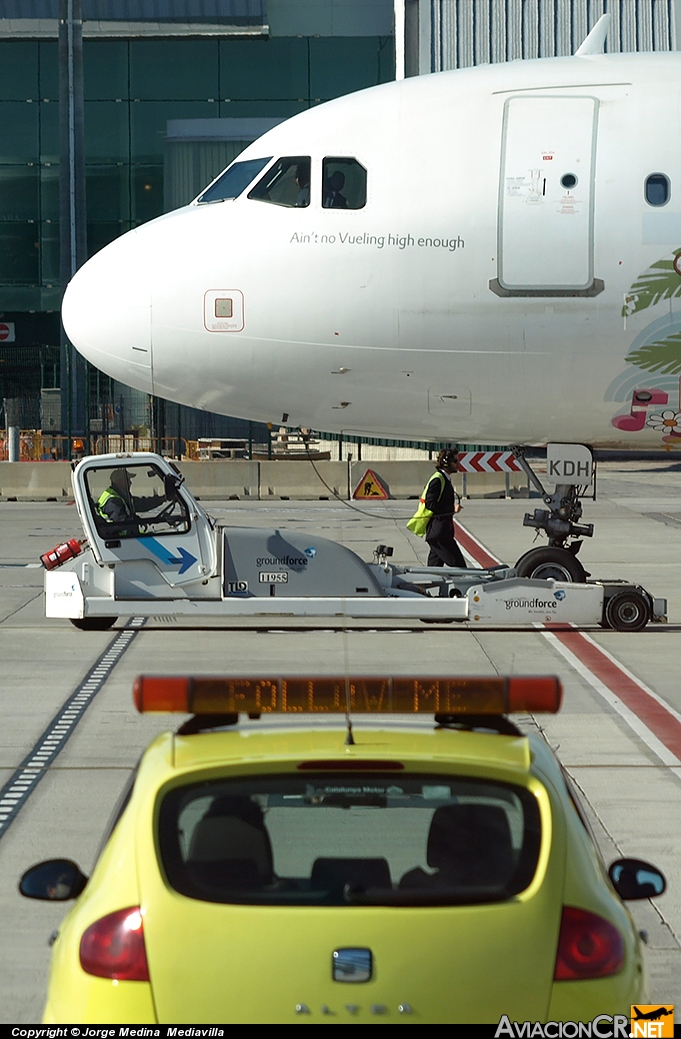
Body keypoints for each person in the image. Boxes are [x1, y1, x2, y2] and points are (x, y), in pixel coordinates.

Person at [410, 448, 466, 567]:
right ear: (447, 463)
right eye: (455, 461)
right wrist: (452, 509)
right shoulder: (438, 479)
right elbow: (430, 504)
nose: (458, 464)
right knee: (459, 566)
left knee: (434, 570)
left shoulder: (444, 478)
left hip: (439, 534)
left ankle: (426, 585)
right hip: (440, 535)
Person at [96, 468, 165, 534]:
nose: (130, 482)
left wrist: (162, 499)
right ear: (121, 482)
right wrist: (137, 520)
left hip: (127, 538)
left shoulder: (122, 496)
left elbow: (142, 504)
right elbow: (121, 522)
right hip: (121, 539)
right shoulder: (113, 501)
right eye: (128, 479)